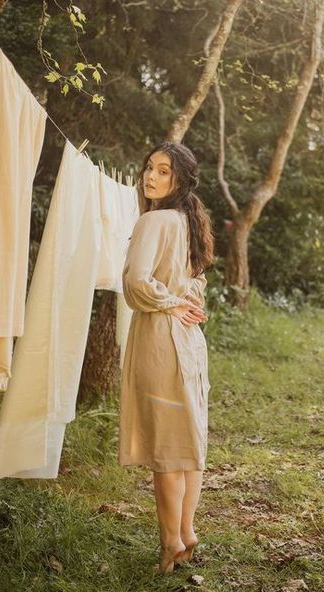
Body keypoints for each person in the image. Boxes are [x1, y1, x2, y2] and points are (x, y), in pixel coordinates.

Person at [118, 141, 215, 573]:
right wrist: (184, 302)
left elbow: (137, 283)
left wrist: (170, 303)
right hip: (191, 341)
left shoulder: (154, 221)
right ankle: (187, 531)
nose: (150, 177)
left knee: (166, 450)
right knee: (187, 444)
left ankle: (170, 543)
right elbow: (196, 285)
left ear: (179, 180)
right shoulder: (190, 222)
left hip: (162, 338)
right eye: (149, 168)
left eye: (162, 171)